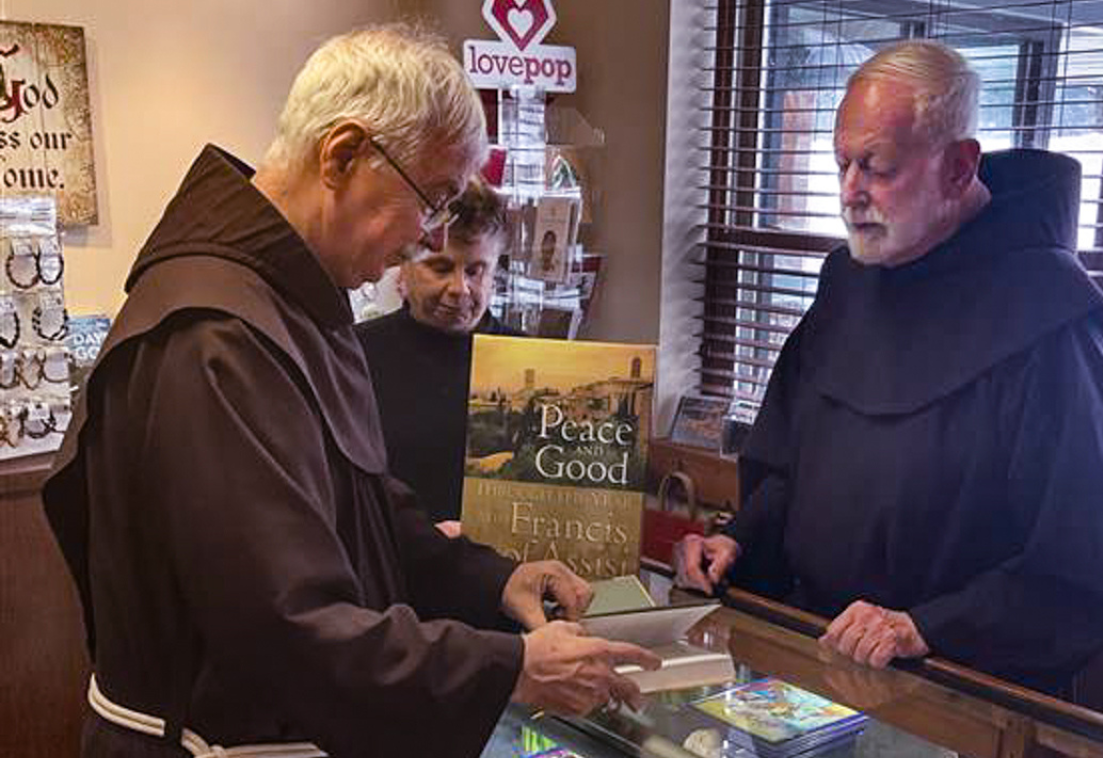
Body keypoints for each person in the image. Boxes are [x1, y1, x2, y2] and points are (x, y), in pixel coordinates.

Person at [42, 23, 658, 758]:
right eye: (430, 201)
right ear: (341, 155)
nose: (425, 240)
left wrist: (494, 578)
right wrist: (511, 669)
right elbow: (285, 627)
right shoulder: (214, 339)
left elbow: (359, 498)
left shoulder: (284, 300)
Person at [675, 40, 1103, 696]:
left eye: (876, 167)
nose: (850, 193)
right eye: (841, 163)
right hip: (810, 667)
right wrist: (739, 540)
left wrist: (925, 626)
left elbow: (1087, 567)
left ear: (959, 168)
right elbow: (792, 466)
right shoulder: (848, 284)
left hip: (952, 690)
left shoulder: (1047, 320)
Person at [357, 176, 521, 538]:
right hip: (393, 578)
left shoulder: (534, 363)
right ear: (404, 266)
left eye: (476, 270)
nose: (460, 289)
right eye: (442, 268)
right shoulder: (354, 356)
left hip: (505, 581)